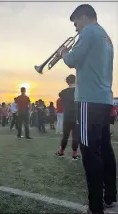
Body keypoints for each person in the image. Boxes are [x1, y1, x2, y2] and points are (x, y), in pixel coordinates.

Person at [60, 4, 117, 214]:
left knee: (89, 152)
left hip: (88, 100)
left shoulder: (89, 32)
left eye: (76, 23)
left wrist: (65, 52)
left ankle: (95, 206)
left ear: (83, 17)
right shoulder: (105, 36)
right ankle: (110, 196)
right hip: (104, 99)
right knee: (106, 149)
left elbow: (72, 60)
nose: (75, 28)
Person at [55, 75, 80, 160]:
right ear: (75, 81)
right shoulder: (79, 91)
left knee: (65, 135)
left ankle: (61, 152)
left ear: (67, 82)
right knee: (75, 136)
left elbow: (61, 97)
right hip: (77, 116)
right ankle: (74, 154)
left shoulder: (62, 92)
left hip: (67, 116)